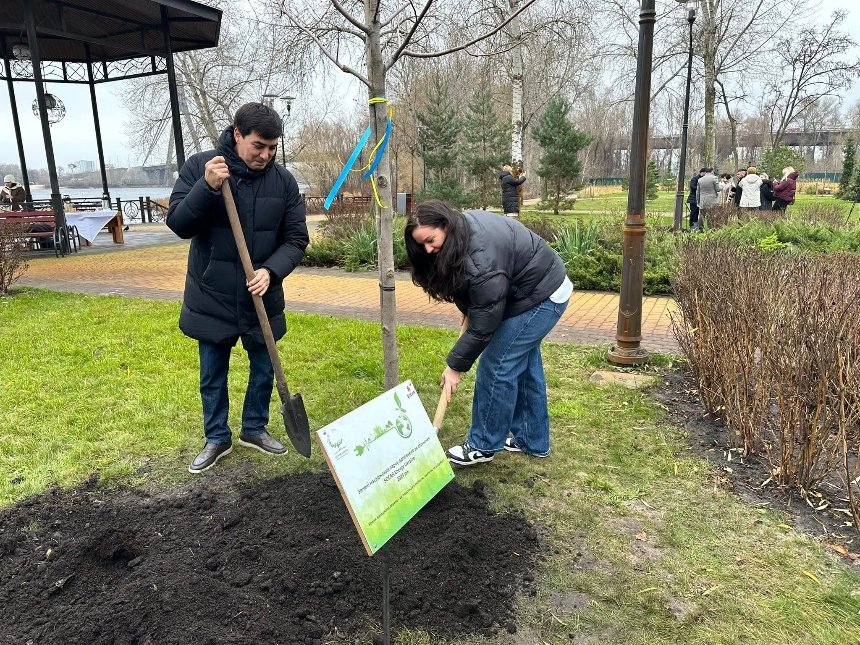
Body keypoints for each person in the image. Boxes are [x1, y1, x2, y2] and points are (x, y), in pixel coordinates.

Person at [167, 102, 309, 474]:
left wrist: (271, 271)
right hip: (211, 294)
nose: (265, 155)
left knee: (263, 367)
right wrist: (207, 188)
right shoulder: (202, 167)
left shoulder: (283, 182)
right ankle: (217, 437)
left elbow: (296, 239)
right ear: (237, 135)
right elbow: (179, 224)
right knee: (212, 373)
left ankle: (254, 428)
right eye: (258, 146)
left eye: (272, 148)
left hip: (261, 294)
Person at [404, 200, 572, 466]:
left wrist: (455, 367)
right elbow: (480, 296)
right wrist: (471, 307)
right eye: (421, 244)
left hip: (542, 295)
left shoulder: (479, 261)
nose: (427, 249)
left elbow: (484, 326)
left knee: (498, 364)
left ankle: (483, 444)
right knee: (523, 366)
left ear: (445, 225)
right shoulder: (460, 232)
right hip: (527, 289)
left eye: (430, 240)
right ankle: (532, 440)